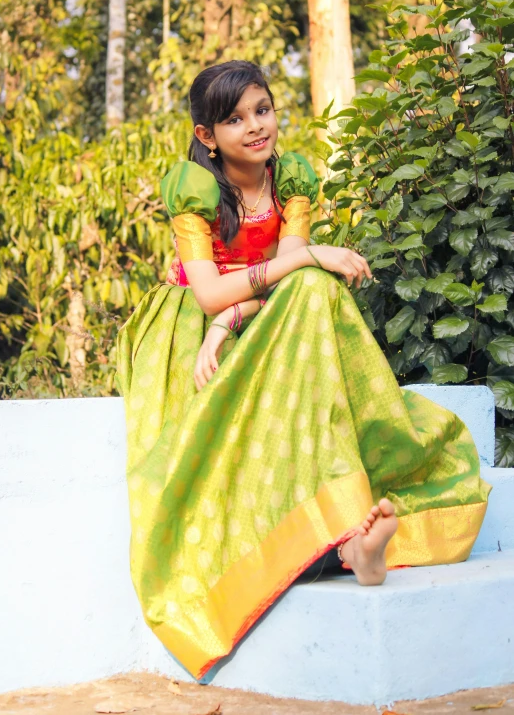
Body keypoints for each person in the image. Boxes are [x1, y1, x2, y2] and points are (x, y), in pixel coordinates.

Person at [116, 60, 491, 680]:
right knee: (314, 283)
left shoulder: (290, 179)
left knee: (315, 291)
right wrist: (224, 318)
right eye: (234, 120)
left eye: (261, 109)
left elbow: (292, 274)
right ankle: (339, 538)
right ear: (208, 135)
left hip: (261, 310)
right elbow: (208, 292)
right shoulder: (195, 189)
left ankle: (350, 540)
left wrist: (246, 309)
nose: (255, 127)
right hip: (192, 321)